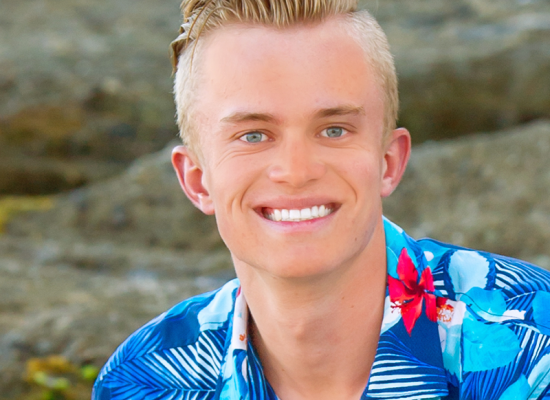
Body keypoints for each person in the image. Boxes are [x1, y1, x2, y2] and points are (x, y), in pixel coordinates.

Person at [92, 0, 550, 399]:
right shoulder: (145, 380)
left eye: (334, 130)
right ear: (197, 180)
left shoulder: (534, 349)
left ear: (389, 161)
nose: (296, 171)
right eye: (253, 135)